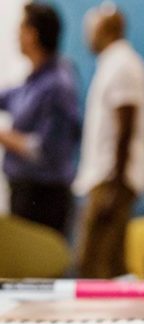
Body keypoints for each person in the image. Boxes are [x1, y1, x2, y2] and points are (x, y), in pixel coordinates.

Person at [74, 4, 144, 278]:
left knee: (96, 263)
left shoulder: (122, 65)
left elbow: (125, 126)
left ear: (106, 30)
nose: (87, 37)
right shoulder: (111, 64)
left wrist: (115, 185)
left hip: (111, 179)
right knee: (106, 262)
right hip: (107, 177)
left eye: (91, 30)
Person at [0, 3, 81, 236]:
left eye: (21, 28)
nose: (16, 36)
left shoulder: (57, 85)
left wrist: (4, 136)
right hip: (25, 192)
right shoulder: (34, 81)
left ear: (32, 34)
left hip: (44, 198)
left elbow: (44, 149)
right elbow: (8, 97)